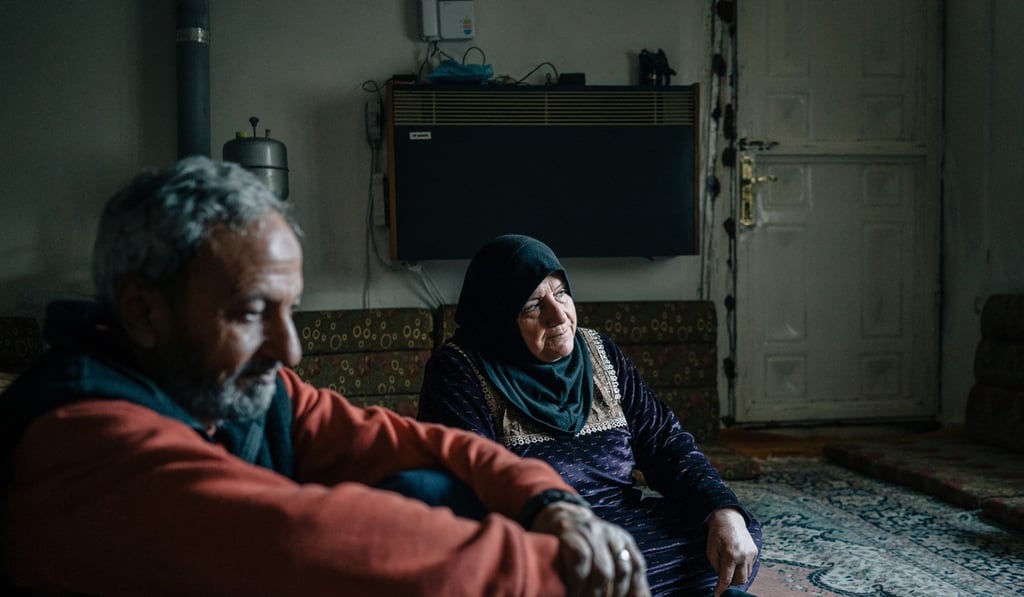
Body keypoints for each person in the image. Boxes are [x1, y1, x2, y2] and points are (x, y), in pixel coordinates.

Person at [0, 157, 652, 597]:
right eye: (253, 312)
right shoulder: (79, 442)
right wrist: (563, 572)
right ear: (144, 309)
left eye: (292, 310)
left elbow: (424, 442)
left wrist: (553, 504)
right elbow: (299, 539)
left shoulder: (237, 386)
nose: (289, 349)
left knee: (430, 483)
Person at [417, 234, 762, 597]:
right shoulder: (459, 371)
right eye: (533, 304)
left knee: (733, 532)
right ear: (498, 316)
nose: (558, 315)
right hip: (540, 536)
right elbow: (473, 487)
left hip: (626, 524)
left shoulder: (598, 351)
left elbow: (665, 442)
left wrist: (721, 510)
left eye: (561, 292)